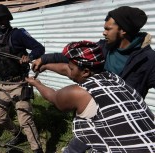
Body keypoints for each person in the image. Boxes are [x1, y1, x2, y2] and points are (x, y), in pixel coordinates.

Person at [26, 40, 155, 152]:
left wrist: (36, 83)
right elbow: (67, 70)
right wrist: (46, 66)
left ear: (86, 71)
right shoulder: (113, 77)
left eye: (71, 68)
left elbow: (54, 97)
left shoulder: (79, 93)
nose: (68, 70)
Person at [32, 6, 155, 99]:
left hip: (125, 122)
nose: (104, 33)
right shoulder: (103, 48)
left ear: (123, 30)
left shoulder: (148, 60)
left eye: (108, 29)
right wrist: (44, 60)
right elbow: (71, 58)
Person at [0, 4, 45, 153]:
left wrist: (30, 57)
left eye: (3, 18)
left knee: (25, 120)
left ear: (8, 18)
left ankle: (37, 149)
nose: (1, 21)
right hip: (3, 85)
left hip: (20, 83)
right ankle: (17, 134)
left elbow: (39, 48)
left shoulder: (18, 34)